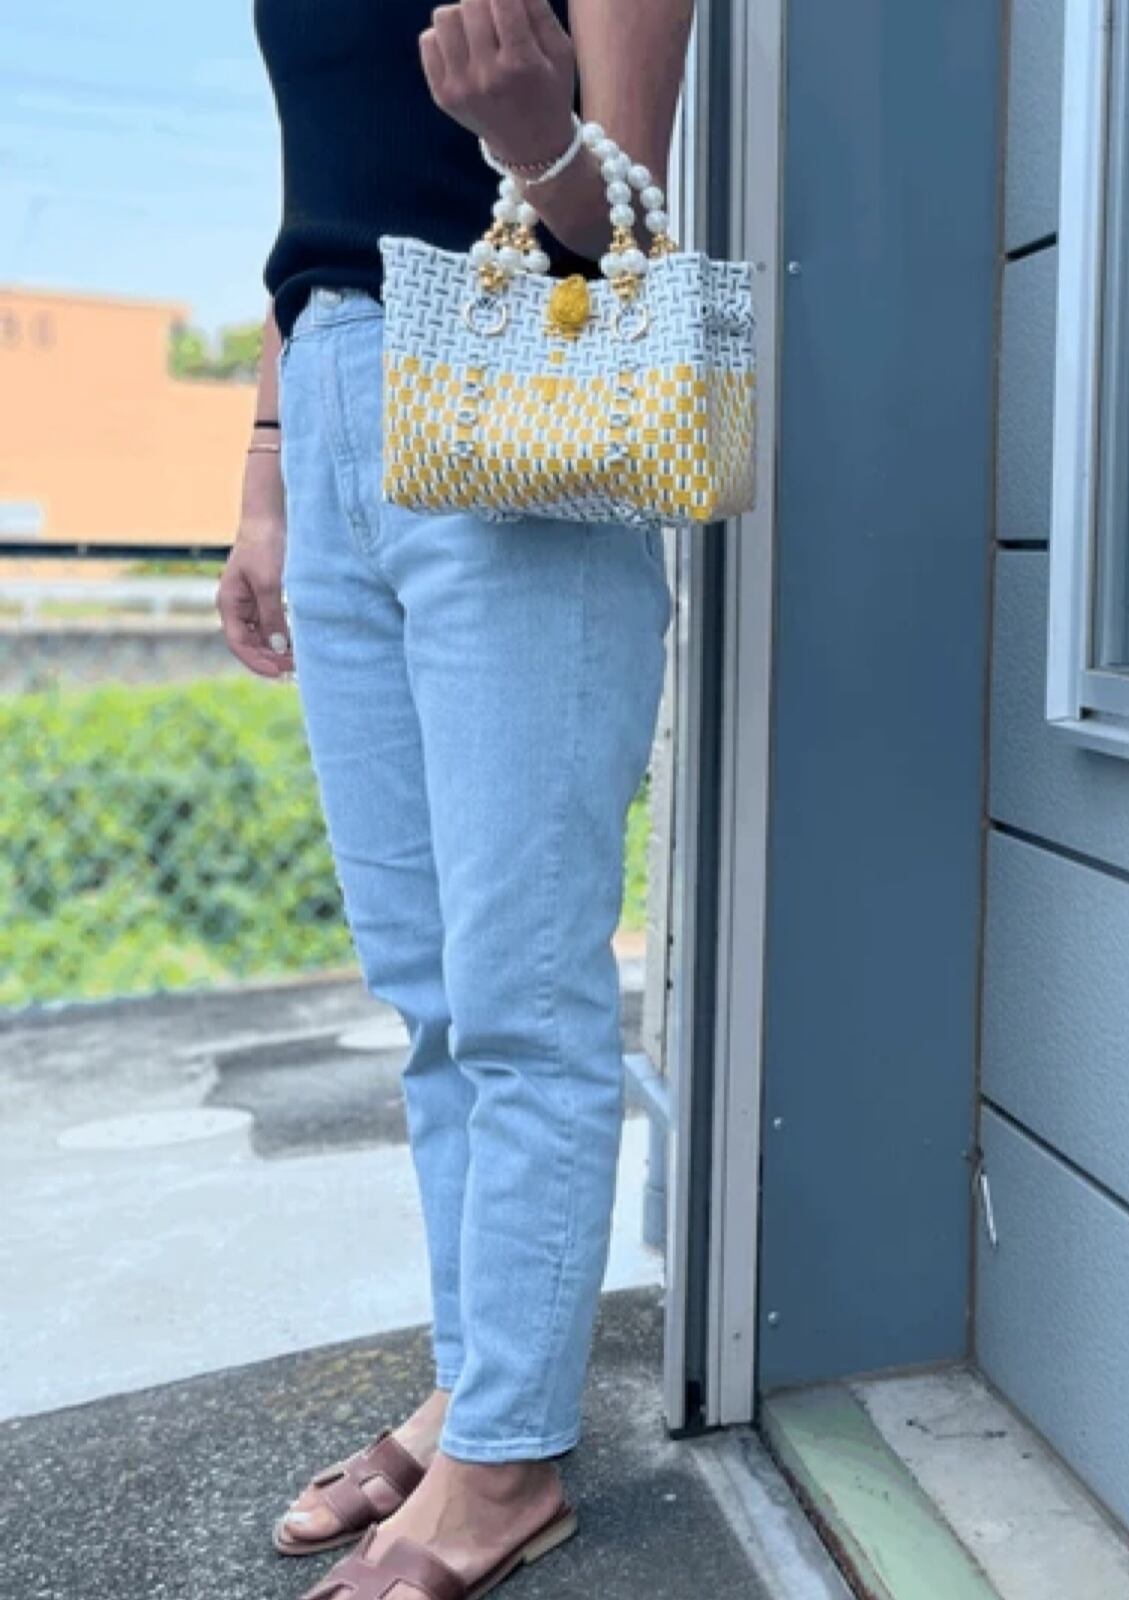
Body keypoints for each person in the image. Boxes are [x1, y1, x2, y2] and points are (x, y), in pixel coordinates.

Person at [216, 1, 693, 1595]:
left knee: (519, 986)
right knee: (425, 990)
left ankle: (507, 1463)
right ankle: (478, 1383)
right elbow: (316, 212)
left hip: (511, 368)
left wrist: (533, 135)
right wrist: (268, 482)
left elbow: (626, 232)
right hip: (331, 387)